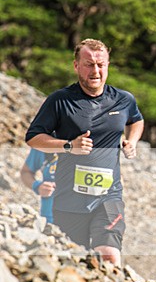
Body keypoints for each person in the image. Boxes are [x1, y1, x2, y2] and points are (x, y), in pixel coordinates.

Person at [25, 38, 144, 266]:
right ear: (76, 65)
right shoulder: (60, 101)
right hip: (69, 199)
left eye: (101, 64)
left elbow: (136, 120)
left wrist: (132, 141)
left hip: (109, 196)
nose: (95, 71)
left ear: (108, 65)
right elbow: (33, 138)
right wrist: (69, 145)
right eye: (89, 64)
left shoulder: (123, 99)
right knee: (73, 262)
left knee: (109, 255)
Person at [19, 149, 58, 223]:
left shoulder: (85, 143)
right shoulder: (42, 142)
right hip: (49, 221)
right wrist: (37, 186)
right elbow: (25, 172)